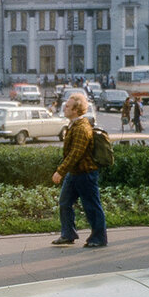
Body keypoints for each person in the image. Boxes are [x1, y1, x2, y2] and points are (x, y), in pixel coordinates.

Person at [49, 93, 108, 248]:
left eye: (67, 106)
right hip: (75, 174)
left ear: (76, 110)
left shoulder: (82, 128)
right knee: (65, 202)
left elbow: (76, 153)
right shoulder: (74, 125)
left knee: (91, 206)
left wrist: (60, 171)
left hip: (86, 174)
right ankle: (68, 234)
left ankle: (99, 238)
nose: (64, 108)